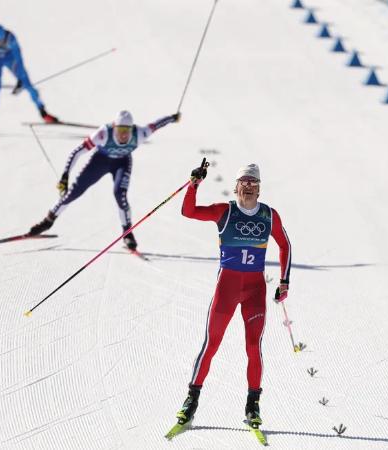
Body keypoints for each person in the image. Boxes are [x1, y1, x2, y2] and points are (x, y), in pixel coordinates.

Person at [173, 163, 292, 430]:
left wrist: (284, 282)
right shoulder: (224, 211)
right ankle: (191, 399)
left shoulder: (269, 215)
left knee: (253, 347)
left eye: (253, 182)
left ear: (259, 189)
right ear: (236, 186)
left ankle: (253, 406)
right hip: (226, 288)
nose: (248, 186)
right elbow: (188, 211)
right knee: (211, 344)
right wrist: (194, 185)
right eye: (244, 182)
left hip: (254, 291)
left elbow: (285, 244)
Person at [27, 110, 180, 250]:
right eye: (120, 130)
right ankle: (48, 221)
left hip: (122, 163)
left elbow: (156, 125)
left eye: (126, 131)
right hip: (100, 161)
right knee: (75, 191)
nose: (123, 135)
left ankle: (127, 233)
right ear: (114, 127)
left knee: (120, 194)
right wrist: (65, 175)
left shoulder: (139, 133)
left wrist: (173, 118)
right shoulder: (103, 133)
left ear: (131, 128)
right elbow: (77, 152)